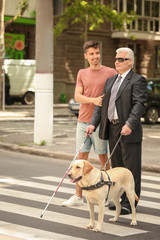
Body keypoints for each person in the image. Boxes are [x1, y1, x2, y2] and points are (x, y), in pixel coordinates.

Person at [86, 47, 148, 214]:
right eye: (116, 59)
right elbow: (102, 105)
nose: (117, 62)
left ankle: (130, 202)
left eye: (121, 59)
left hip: (128, 130)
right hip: (112, 128)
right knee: (117, 169)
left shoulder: (137, 80)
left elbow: (139, 105)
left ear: (130, 62)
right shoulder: (110, 81)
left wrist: (129, 124)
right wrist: (93, 123)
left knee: (130, 169)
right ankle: (118, 200)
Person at [62, 40, 117, 207]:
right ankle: (78, 196)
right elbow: (78, 97)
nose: (95, 56)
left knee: (103, 159)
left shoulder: (110, 72)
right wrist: (93, 100)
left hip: (101, 123)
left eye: (97, 53)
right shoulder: (81, 73)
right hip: (83, 122)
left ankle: (107, 196)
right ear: (86, 56)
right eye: (91, 54)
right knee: (80, 160)